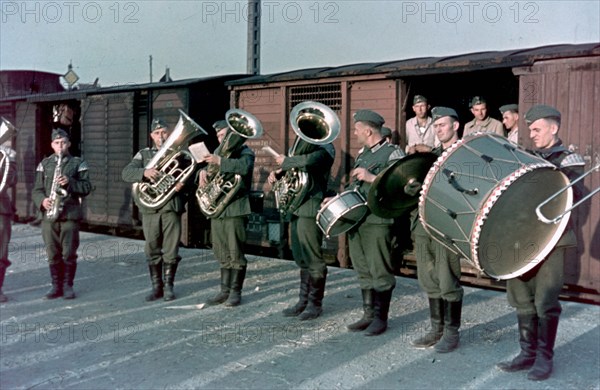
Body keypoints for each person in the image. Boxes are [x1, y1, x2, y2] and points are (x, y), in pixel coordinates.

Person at [496, 104, 585, 381]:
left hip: (551, 241)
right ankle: (527, 353)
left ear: (553, 128)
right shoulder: (526, 156)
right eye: (529, 129)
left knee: (546, 300)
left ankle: (545, 357)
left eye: (536, 129)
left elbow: (571, 195)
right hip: (520, 238)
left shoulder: (569, 160)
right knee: (522, 298)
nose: (531, 134)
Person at [323, 109, 404, 336]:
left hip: (378, 221)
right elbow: (355, 187)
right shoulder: (363, 154)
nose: (355, 133)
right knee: (362, 268)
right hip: (358, 220)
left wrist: (372, 177)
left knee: (379, 269)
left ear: (368, 130)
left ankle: (380, 318)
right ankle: (368, 315)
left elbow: (399, 184)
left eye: (357, 129)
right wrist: (337, 199)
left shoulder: (392, 152)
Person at [410, 107, 464, 353]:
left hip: (446, 226)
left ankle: (452, 333)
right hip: (423, 224)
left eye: (443, 124)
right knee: (428, 277)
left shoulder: (465, 154)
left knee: (446, 278)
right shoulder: (431, 157)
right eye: (437, 125)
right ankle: (437, 328)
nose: (439, 129)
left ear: (456, 126)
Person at [268, 129, 335, 321]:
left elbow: (308, 162)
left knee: (313, 257)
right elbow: (295, 168)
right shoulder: (299, 149)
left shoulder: (325, 148)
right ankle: (303, 301)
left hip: (310, 207)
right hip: (296, 207)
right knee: (300, 256)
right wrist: (279, 174)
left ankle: (315, 304)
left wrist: (287, 161)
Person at [122, 119, 190, 302]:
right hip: (151, 209)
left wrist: (182, 184)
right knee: (151, 247)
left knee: (171, 249)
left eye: (164, 132)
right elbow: (126, 173)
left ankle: (169, 287)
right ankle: (156, 287)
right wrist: (145, 172)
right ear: (151, 135)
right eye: (157, 133)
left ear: (169, 133)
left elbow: (191, 176)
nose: (161, 136)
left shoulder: (179, 154)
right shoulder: (144, 154)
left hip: (170, 207)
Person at [200, 120, 255, 307]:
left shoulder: (244, 151)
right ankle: (224, 291)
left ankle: (235, 292)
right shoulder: (216, 153)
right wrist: (202, 172)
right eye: (218, 136)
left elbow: (244, 168)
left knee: (235, 252)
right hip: (218, 209)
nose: (220, 138)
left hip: (235, 208)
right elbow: (212, 171)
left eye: (223, 135)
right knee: (221, 251)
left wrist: (220, 162)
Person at [32, 128, 92, 299]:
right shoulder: (44, 164)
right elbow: (36, 190)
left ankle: (67, 286)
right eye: (57, 143)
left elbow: (87, 187)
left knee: (69, 253)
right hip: (49, 216)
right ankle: (55, 286)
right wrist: (42, 201)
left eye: (63, 143)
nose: (60, 146)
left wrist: (70, 182)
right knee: (52, 252)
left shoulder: (78, 163)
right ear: (52, 145)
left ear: (69, 144)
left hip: (70, 214)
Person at [0, 142, 17, 302]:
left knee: (1, 250)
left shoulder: (7, 155)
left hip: (1, 209)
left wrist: (10, 161)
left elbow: (12, 181)